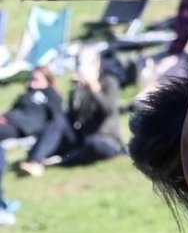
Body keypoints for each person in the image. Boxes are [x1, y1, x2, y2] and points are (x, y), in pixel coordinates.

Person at [18, 46, 124, 177]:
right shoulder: (79, 86)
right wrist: (77, 93)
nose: (81, 67)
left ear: (96, 63)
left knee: (95, 145)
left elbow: (108, 110)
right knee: (59, 121)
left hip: (105, 138)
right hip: (82, 136)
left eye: (84, 63)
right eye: (78, 63)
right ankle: (35, 161)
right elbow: (73, 117)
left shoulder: (108, 82)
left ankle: (62, 162)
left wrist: (94, 88)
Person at [0, 66, 62, 218]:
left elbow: (56, 119)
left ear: (47, 80)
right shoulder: (25, 95)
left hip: (20, 127)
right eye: (32, 79)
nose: (33, 83)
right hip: (7, 121)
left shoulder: (51, 96)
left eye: (37, 79)